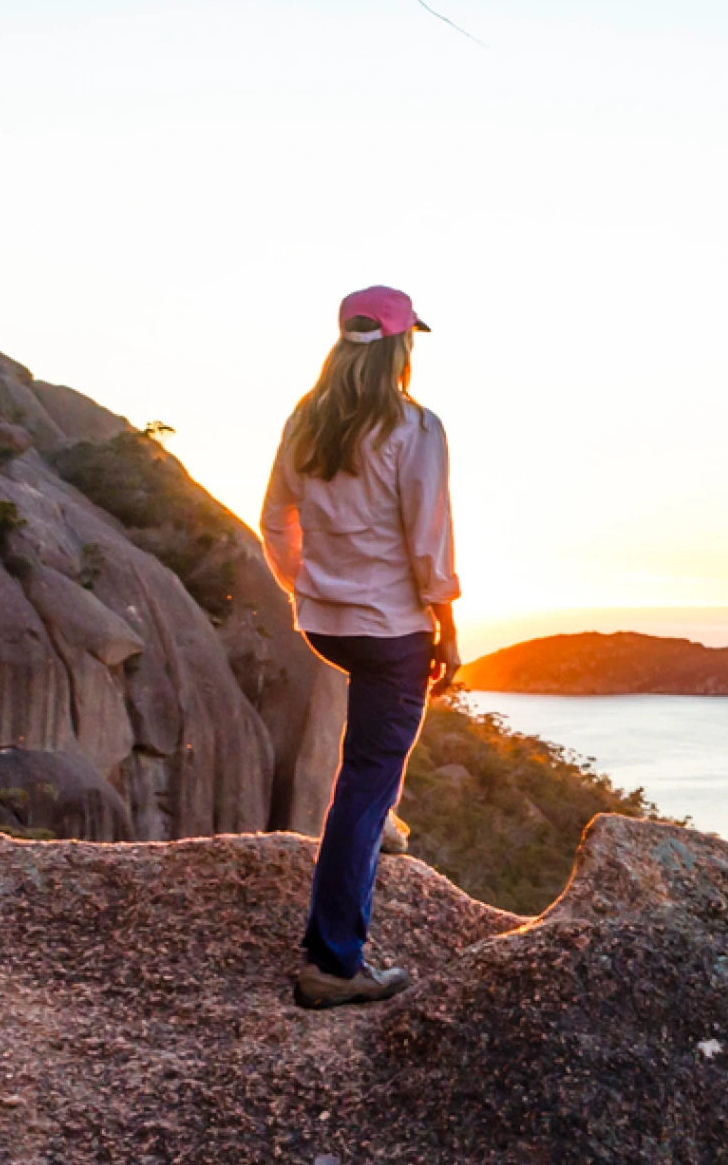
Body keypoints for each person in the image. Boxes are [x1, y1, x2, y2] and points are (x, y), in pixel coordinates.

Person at [261, 285, 463, 1009]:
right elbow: (428, 544)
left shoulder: (306, 422)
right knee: (367, 773)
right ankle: (334, 963)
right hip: (389, 627)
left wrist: (306, 587)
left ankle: (377, 826)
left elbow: (275, 519)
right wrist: (448, 627)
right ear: (403, 346)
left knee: (369, 764)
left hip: (325, 623)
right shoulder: (416, 428)